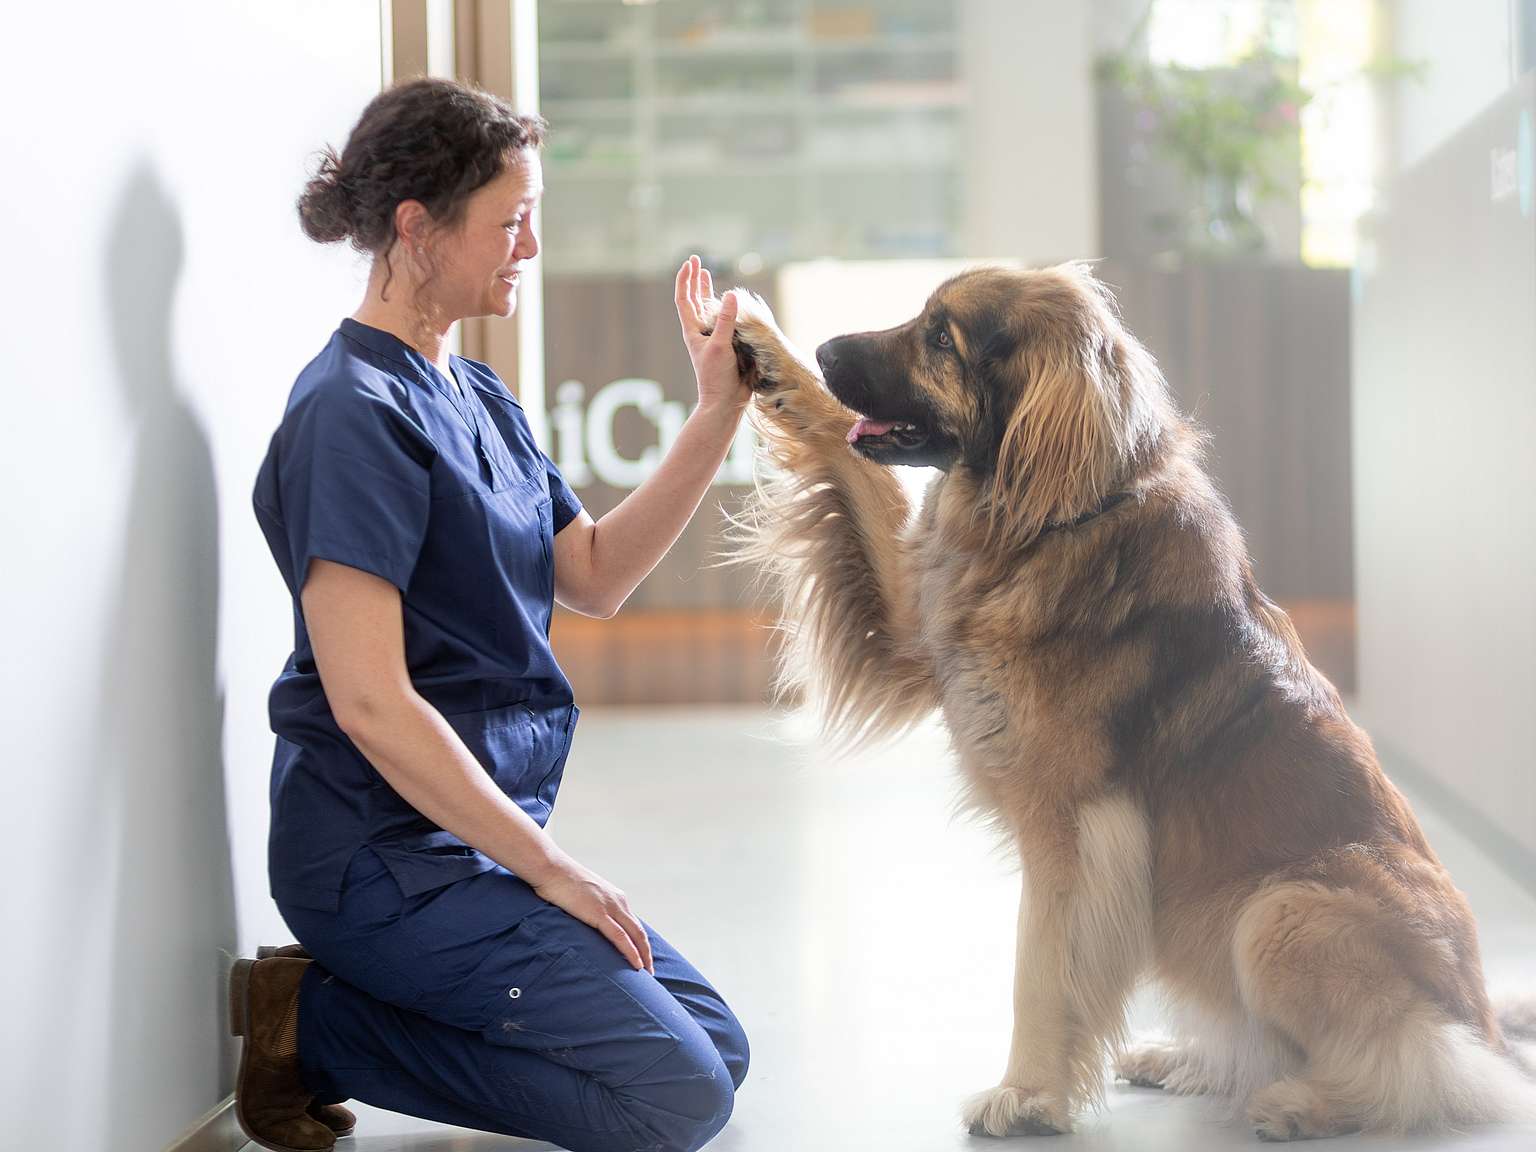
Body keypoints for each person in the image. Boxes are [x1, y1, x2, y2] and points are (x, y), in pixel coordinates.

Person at [231, 77, 750, 1152]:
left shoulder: (476, 396)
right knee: (678, 1096)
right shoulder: (347, 416)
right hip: (374, 859)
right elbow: (370, 704)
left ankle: (357, 1010)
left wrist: (714, 413)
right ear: (417, 229)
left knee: (714, 1048)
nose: (530, 245)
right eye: (510, 221)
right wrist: (550, 870)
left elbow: (596, 575)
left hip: (464, 845)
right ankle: (314, 1025)